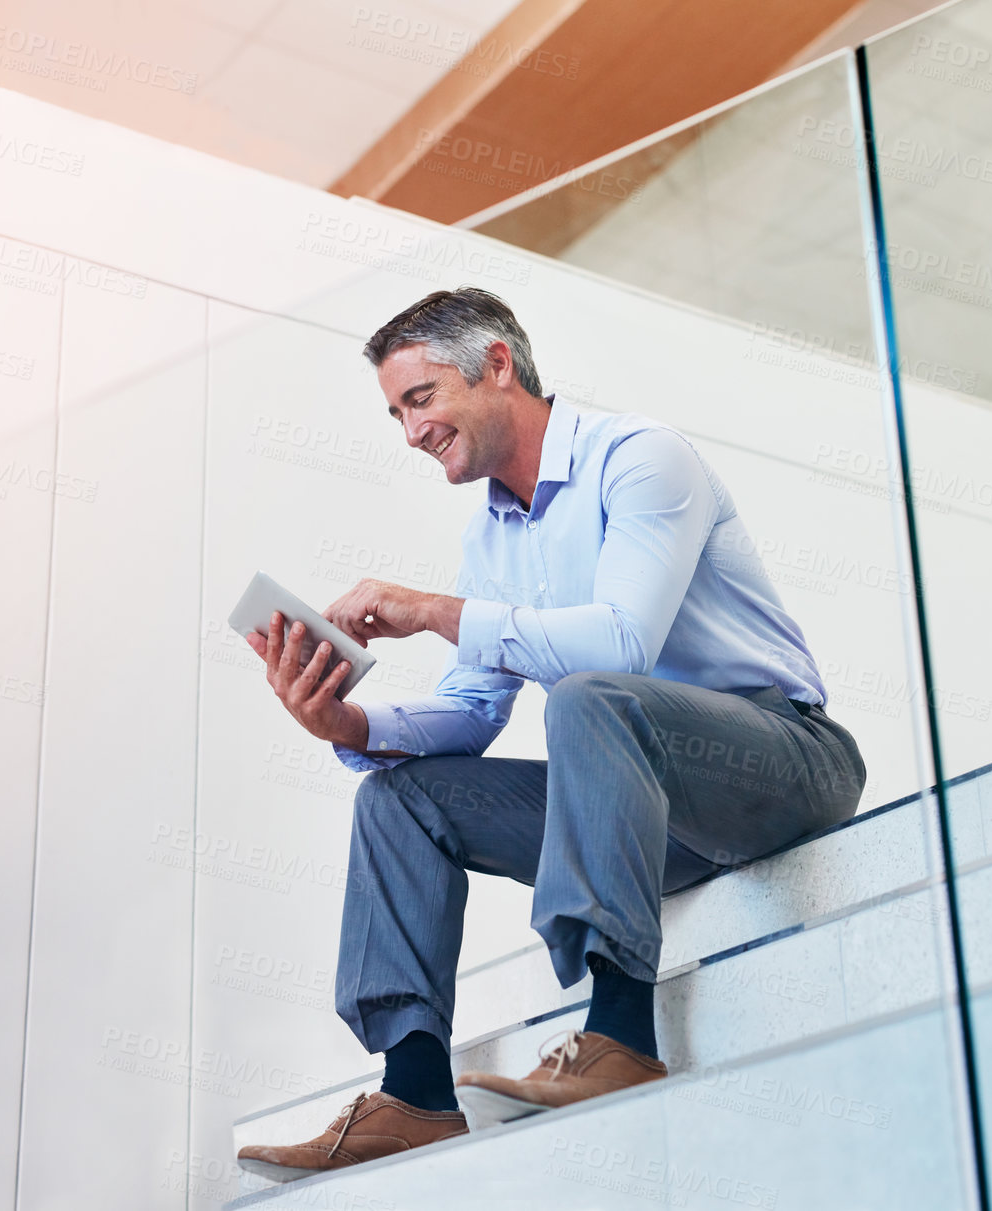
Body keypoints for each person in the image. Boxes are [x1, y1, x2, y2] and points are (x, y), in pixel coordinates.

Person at [235, 287, 867, 1181]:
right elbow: (470, 716)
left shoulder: (642, 459)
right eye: (395, 413)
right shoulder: (491, 536)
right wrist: (348, 721)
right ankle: (413, 1090)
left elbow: (621, 644)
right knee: (399, 797)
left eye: (419, 399)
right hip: (646, 811)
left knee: (589, 695)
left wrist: (434, 610)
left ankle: (617, 1032)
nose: (410, 431)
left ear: (497, 364)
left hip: (782, 762)